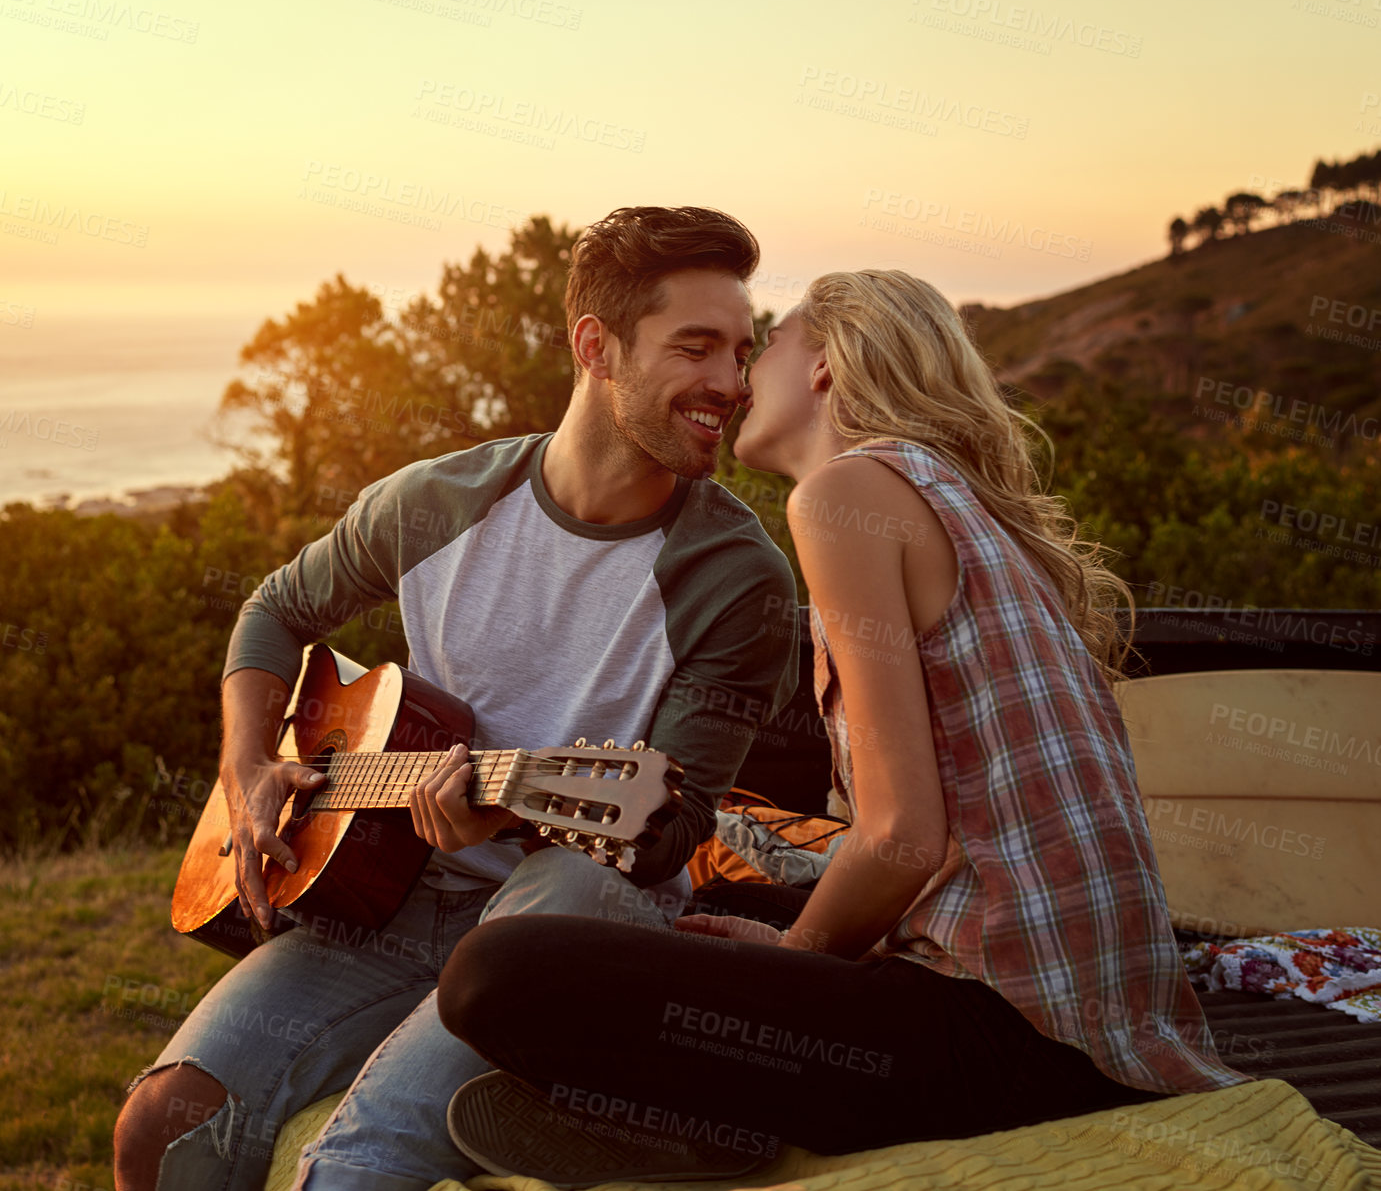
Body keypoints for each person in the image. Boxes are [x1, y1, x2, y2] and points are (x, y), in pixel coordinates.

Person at [437, 268, 1254, 1186]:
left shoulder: (841, 496)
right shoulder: (947, 498)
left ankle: (698, 1130)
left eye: (766, 345)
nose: (741, 378)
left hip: (1019, 1043)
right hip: (1088, 1013)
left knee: (494, 974)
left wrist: (797, 958)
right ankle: (705, 1121)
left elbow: (903, 839)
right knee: (711, 911)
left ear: (826, 365)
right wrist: (792, 949)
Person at [112, 206, 799, 1191]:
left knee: (356, 1165)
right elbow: (274, 610)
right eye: (696, 349)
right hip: (393, 896)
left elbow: (666, 828)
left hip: (581, 904)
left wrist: (510, 804)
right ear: (593, 346)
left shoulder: (734, 577)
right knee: (163, 1130)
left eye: (741, 352)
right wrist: (251, 765)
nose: (729, 385)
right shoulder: (439, 503)